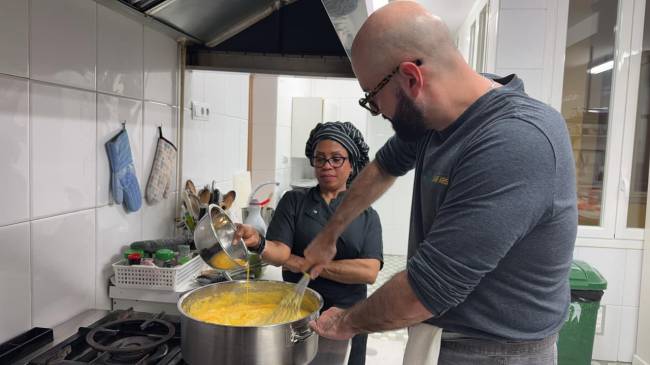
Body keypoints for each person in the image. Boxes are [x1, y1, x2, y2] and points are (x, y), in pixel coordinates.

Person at [299, 2, 578, 365]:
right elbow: (384, 166)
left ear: (412, 78)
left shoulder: (516, 141)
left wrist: (347, 321)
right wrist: (328, 235)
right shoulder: (441, 116)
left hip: (495, 352)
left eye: (372, 97)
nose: (378, 111)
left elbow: (426, 290)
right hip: (441, 333)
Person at [236, 121, 383, 365]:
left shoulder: (366, 214)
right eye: (320, 158)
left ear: (351, 164)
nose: (327, 166)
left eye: (336, 159)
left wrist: (303, 264)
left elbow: (368, 272)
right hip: (298, 314)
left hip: (348, 317)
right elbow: (279, 252)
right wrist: (258, 242)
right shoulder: (294, 201)